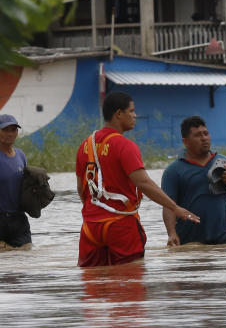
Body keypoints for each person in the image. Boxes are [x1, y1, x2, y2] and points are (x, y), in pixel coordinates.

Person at [75, 91, 199, 267]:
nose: (135, 115)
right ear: (119, 114)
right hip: (121, 226)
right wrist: (175, 207)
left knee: (93, 285)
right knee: (130, 284)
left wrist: (94, 213)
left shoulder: (85, 145)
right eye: (132, 111)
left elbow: (82, 188)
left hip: (90, 228)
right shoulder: (125, 146)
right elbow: (144, 183)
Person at [161, 116, 226, 246]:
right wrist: (171, 233)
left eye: (206, 134)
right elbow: (168, 206)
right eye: (198, 135)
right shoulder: (173, 171)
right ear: (186, 142)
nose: (204, 138)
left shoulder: (222, 162)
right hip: (191, 241)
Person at [0, 114, 31, 247]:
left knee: (25, 258)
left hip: (19, 220)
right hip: (1, 219)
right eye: (6, 130)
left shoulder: (21, 155)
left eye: (13, 130)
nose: (10, 134)